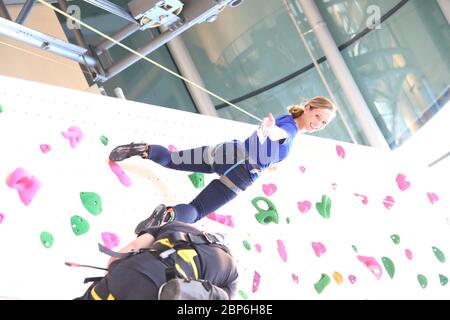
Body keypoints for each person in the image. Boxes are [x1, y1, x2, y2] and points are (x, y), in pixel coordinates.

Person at [110, 96, 336, 233]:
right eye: (318, 117)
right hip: (240, 175)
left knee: (172, 159)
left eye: (324, 123)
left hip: (228, 153)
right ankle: (168, 215)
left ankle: (142, 148)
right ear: (308, 108)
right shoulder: (288, 130)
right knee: (197, 210)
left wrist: (270, 158)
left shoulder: (286, 118)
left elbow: (271, 142)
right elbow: (280, 136)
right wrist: (271, 130)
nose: (319, 124)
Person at [76, 221, 238, 300]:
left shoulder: (176, 226)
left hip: (131, 270)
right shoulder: (231, 274)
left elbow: (130, 248)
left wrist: (116, 276)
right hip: (164, 290)